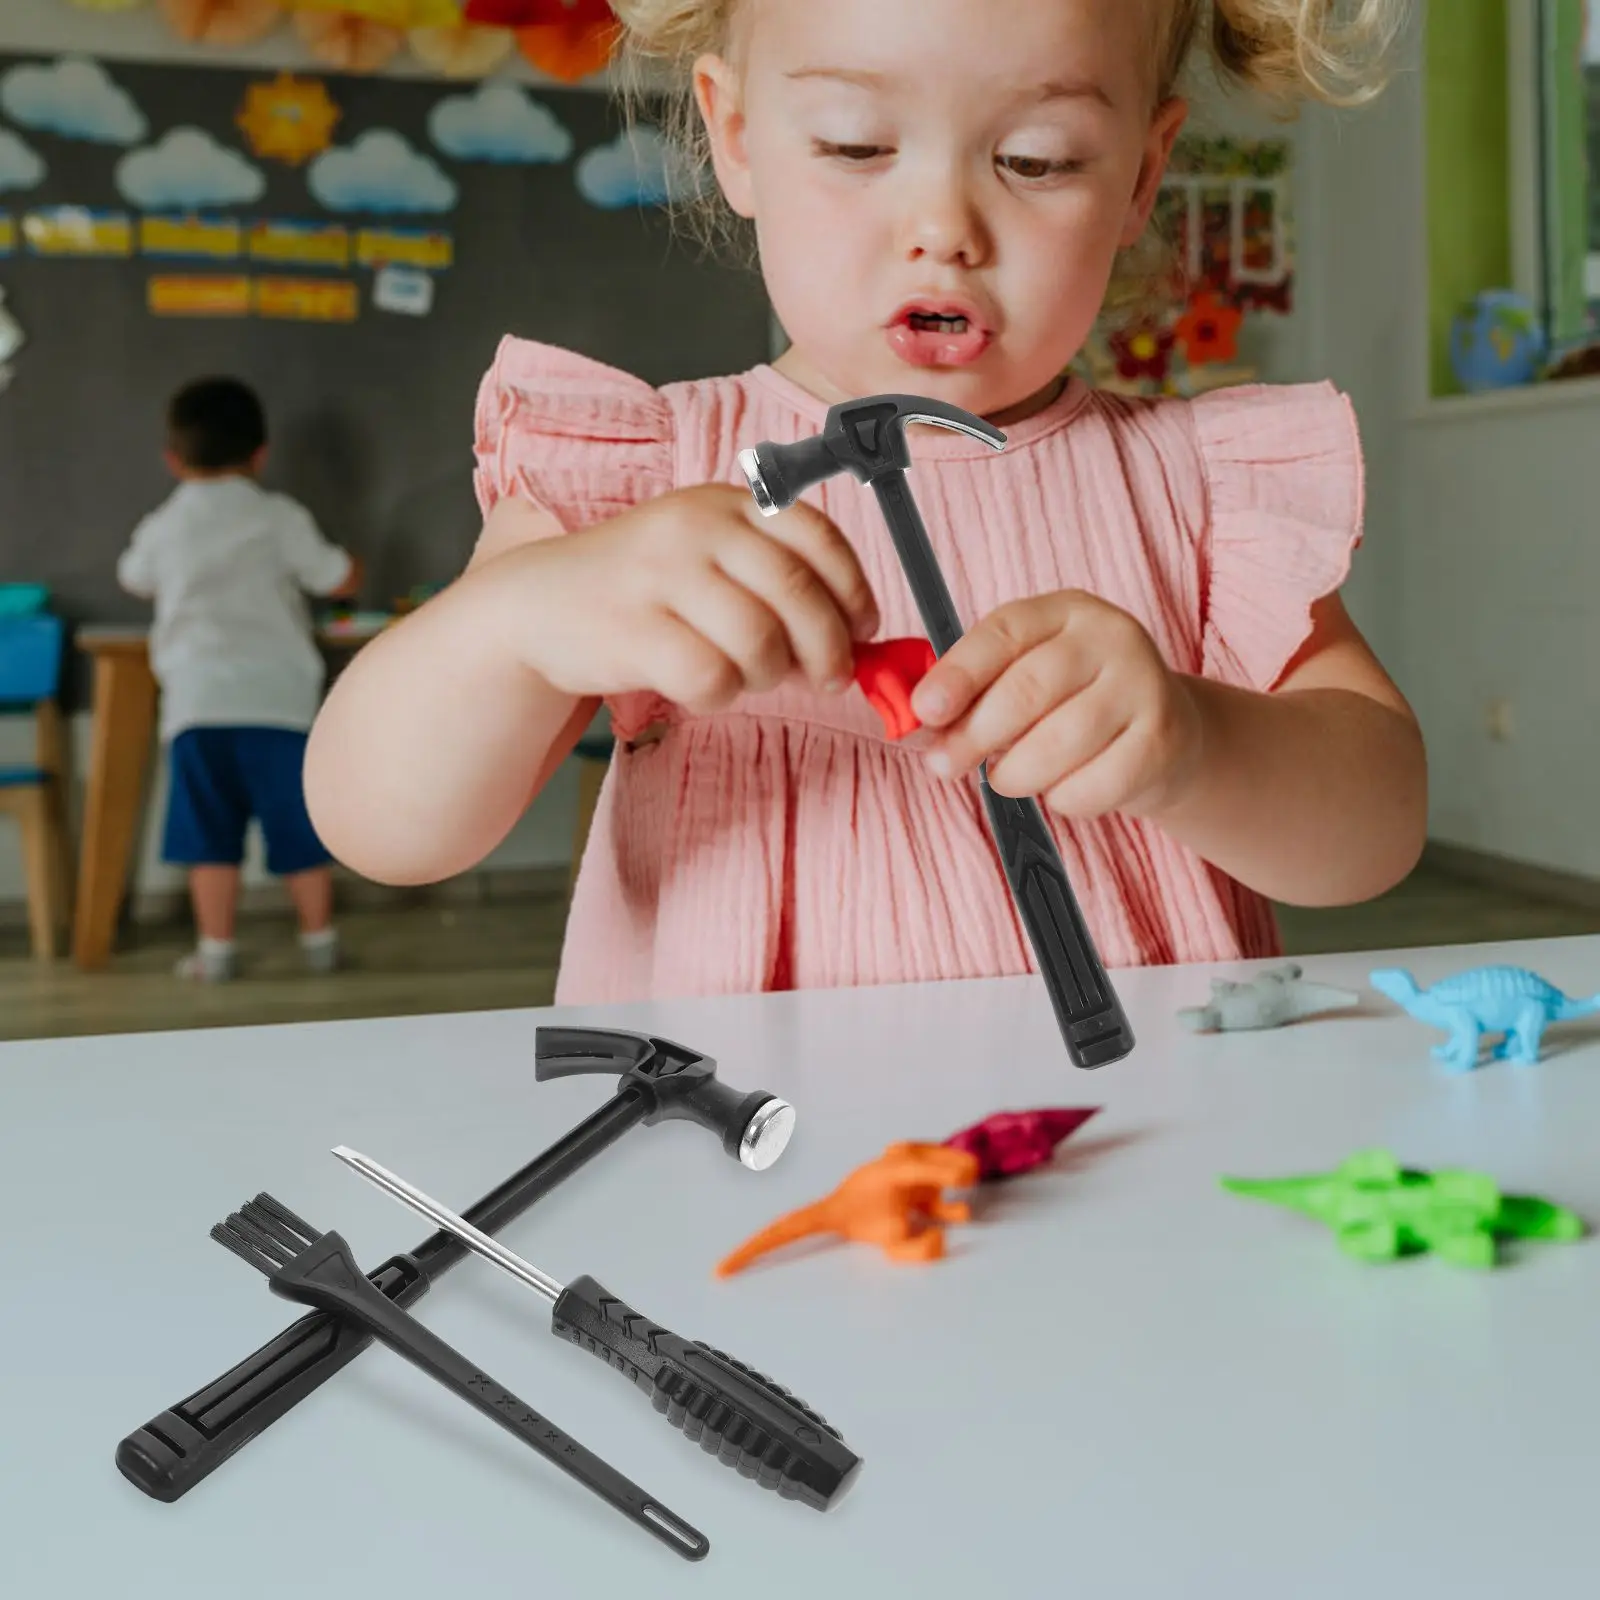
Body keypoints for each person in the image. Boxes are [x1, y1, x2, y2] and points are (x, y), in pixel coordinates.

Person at [305, 0, 1426, 1007]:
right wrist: (520, 622)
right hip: (752, 1144)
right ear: (736, 138)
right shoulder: (640, 473)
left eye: (1037, 160)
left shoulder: (1194, 483)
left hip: (1148, 1136)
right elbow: (383, 829)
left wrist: (1196, 742)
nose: (942, 226)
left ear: (1140, 173)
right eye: (855, 144)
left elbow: (1373, 832)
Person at [118, 376, 360, 981]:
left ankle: (216, 950)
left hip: (198, 706)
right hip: (280, 701)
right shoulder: (279, 517)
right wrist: (351, 566)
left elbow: (133, 576)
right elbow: (334, 577)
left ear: (173, 459)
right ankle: (320, 939)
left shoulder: (165, 523)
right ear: (261, 453)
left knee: (209, 835)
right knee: (298, 826)